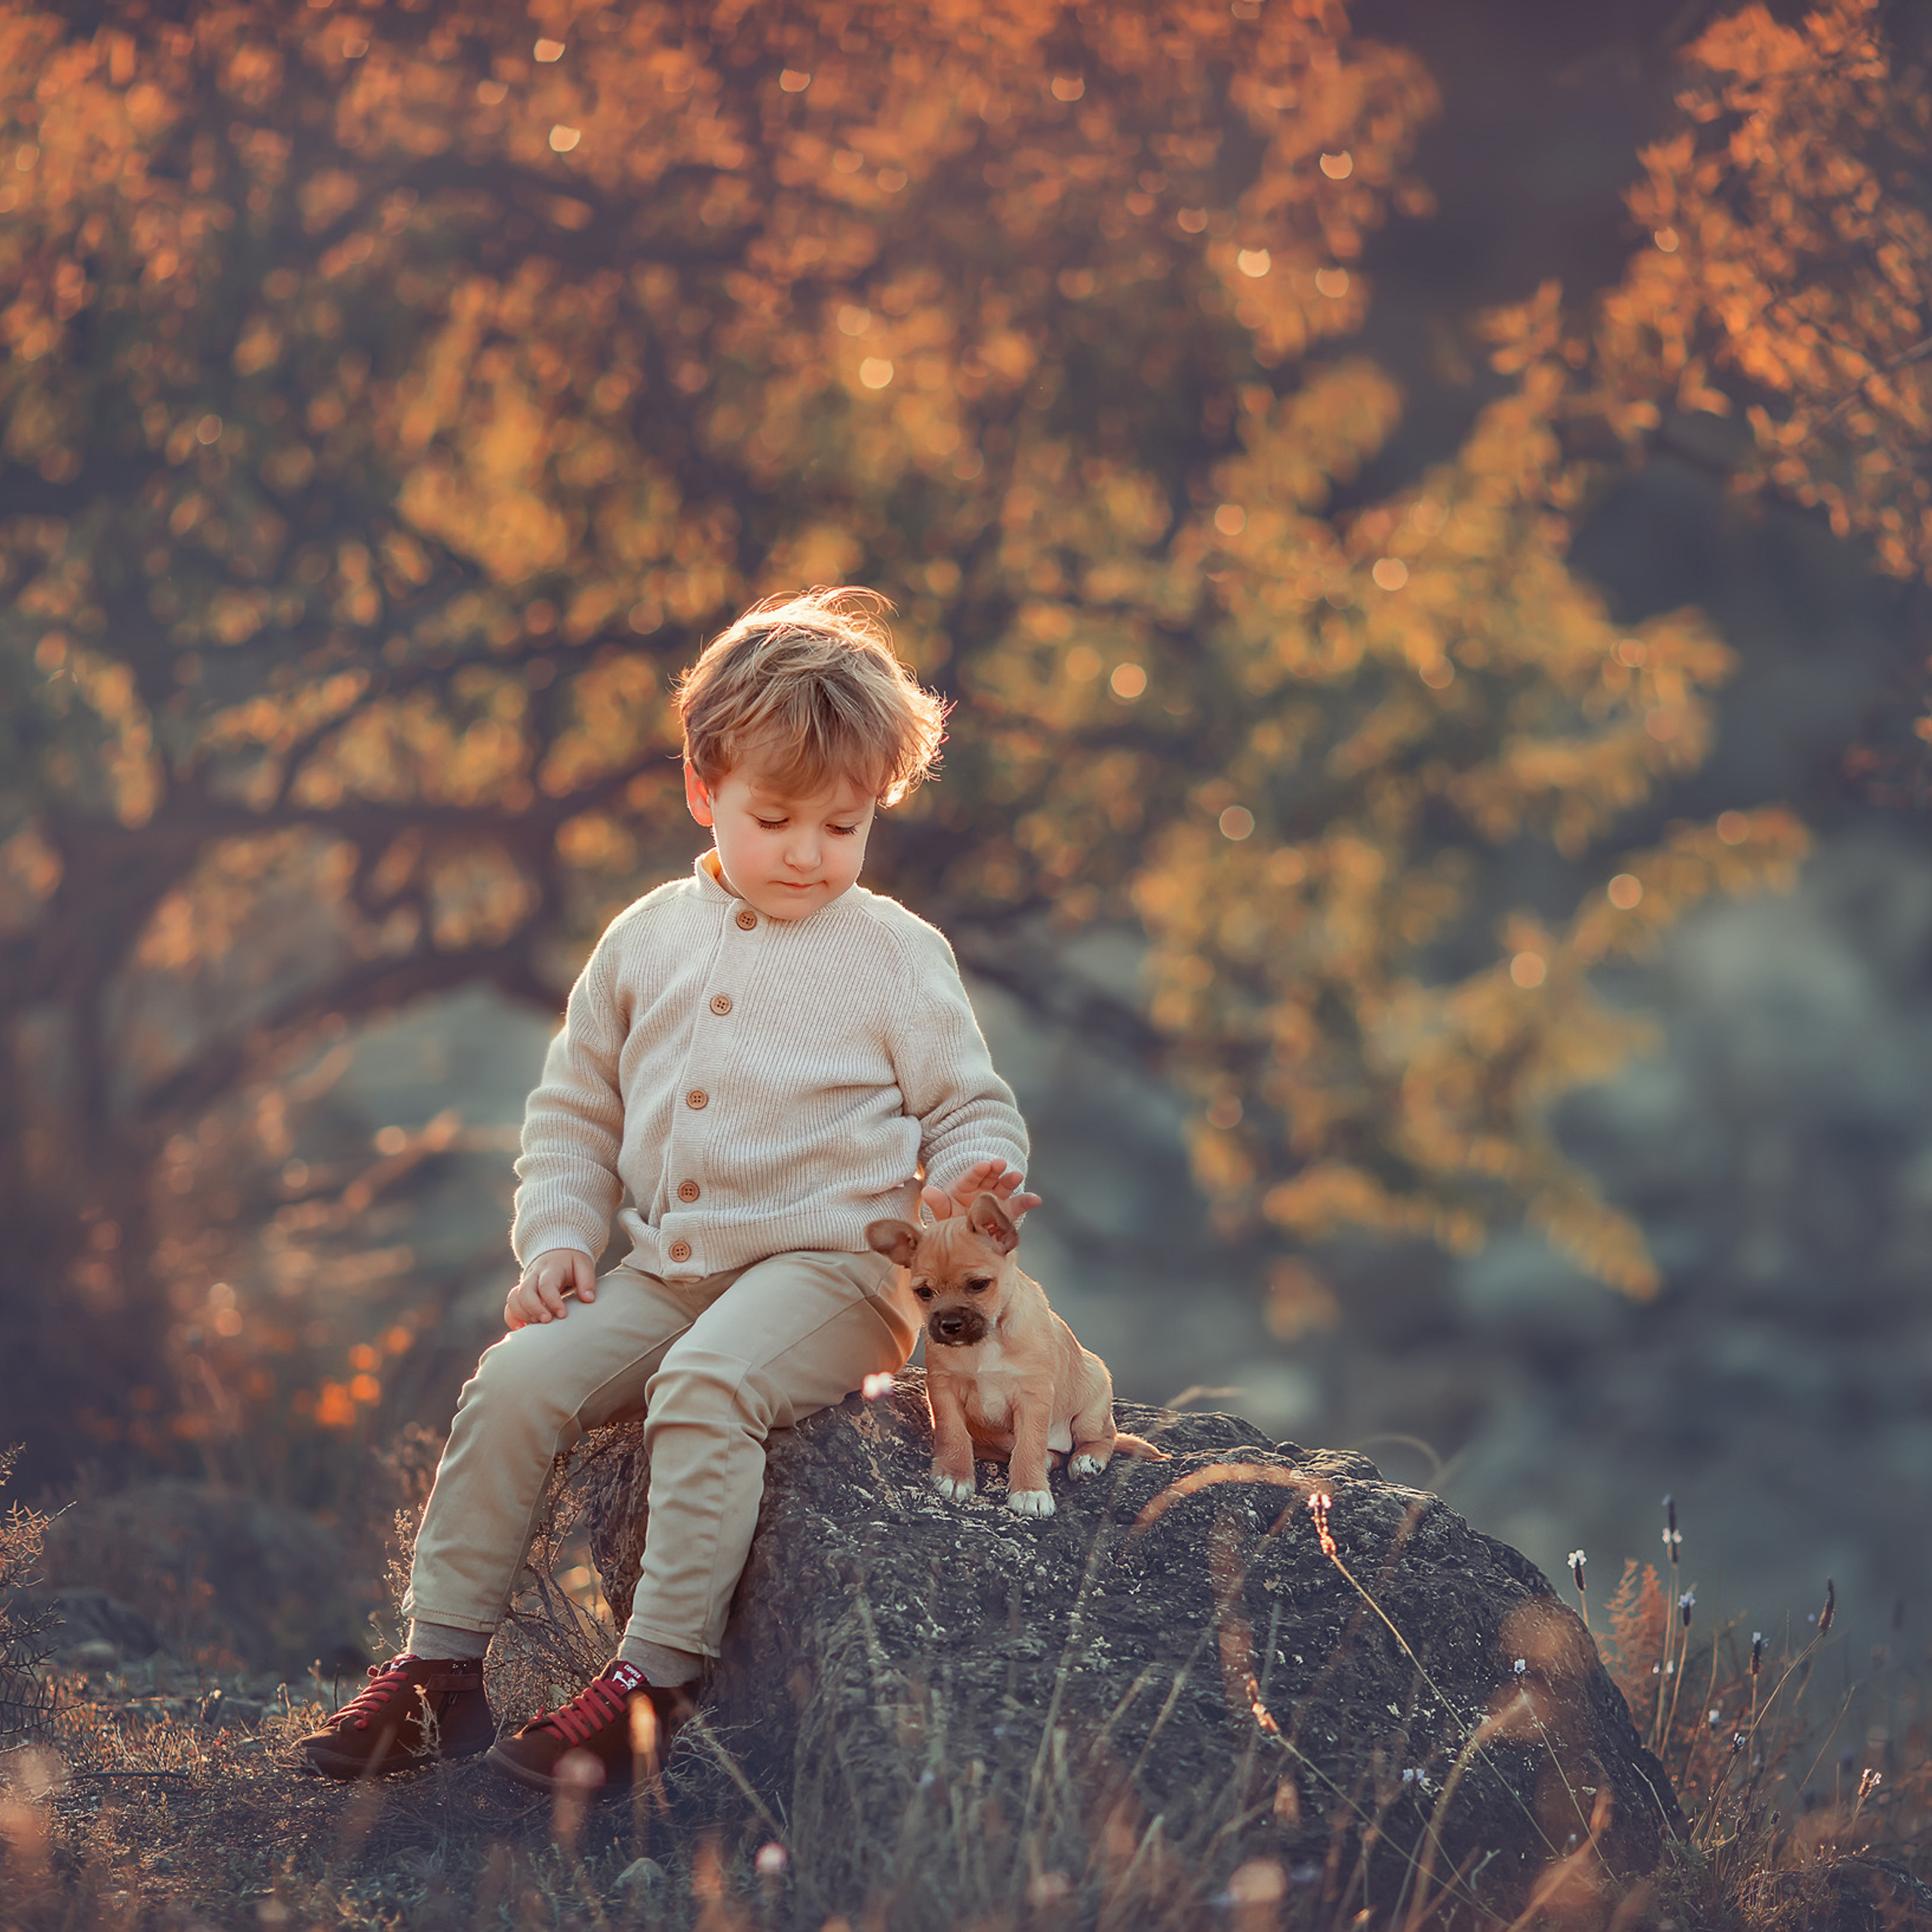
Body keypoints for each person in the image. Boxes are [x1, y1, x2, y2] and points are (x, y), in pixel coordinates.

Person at [299, 588, 1032, 1790]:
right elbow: (573, 1114)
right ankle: (439, 1676)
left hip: (839, 1273)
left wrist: (969, 1177)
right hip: (671, 1268)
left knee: (707, 1387)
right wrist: (558, 1240)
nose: (808, 854)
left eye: (843, 828)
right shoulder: (643, 939)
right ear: (703, 786)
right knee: (517, 1381)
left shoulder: (897, 953)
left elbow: (969, 1103)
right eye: (776, 816)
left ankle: (656, 1679)